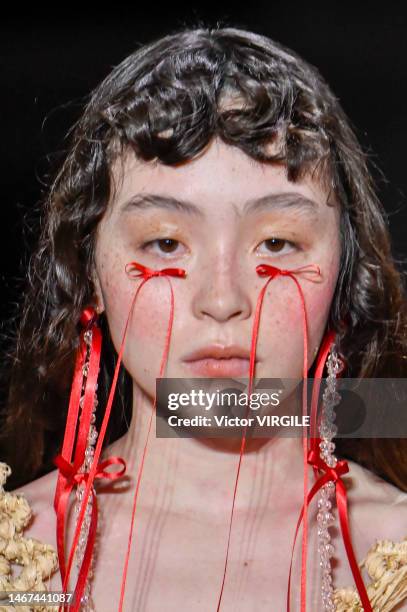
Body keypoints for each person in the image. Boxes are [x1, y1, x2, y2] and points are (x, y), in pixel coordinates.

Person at [1, 25, 406, 611]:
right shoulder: (17, 563)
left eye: (276, 243)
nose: (221, 300)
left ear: (345, 275)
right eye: (165, 244)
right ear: (89, 271)